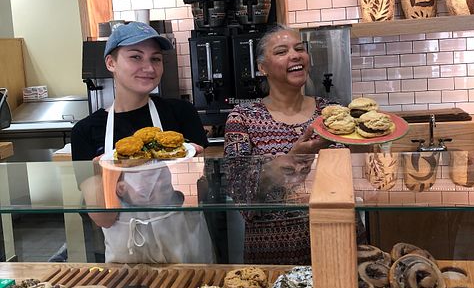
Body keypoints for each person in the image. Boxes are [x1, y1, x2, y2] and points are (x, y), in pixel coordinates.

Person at [71, 21, 213, 263]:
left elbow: (199, 197)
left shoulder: (180, 113)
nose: (148, 67)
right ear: (111, 63)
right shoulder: (86, 131)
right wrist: (107, 172)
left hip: (184, 247)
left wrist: (191, 171)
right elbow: (104, 219)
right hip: (127, 255)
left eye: (156, 59)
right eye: (135, 57)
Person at [223, 24, 339, 264]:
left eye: (299, 48)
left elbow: (346, 177)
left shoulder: (330, 113)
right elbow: (239, 192)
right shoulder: (243, 117)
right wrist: (293, 158)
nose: (295, 55)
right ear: (262, 67)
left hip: (333, 237)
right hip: (272, 251)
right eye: (281, 51)